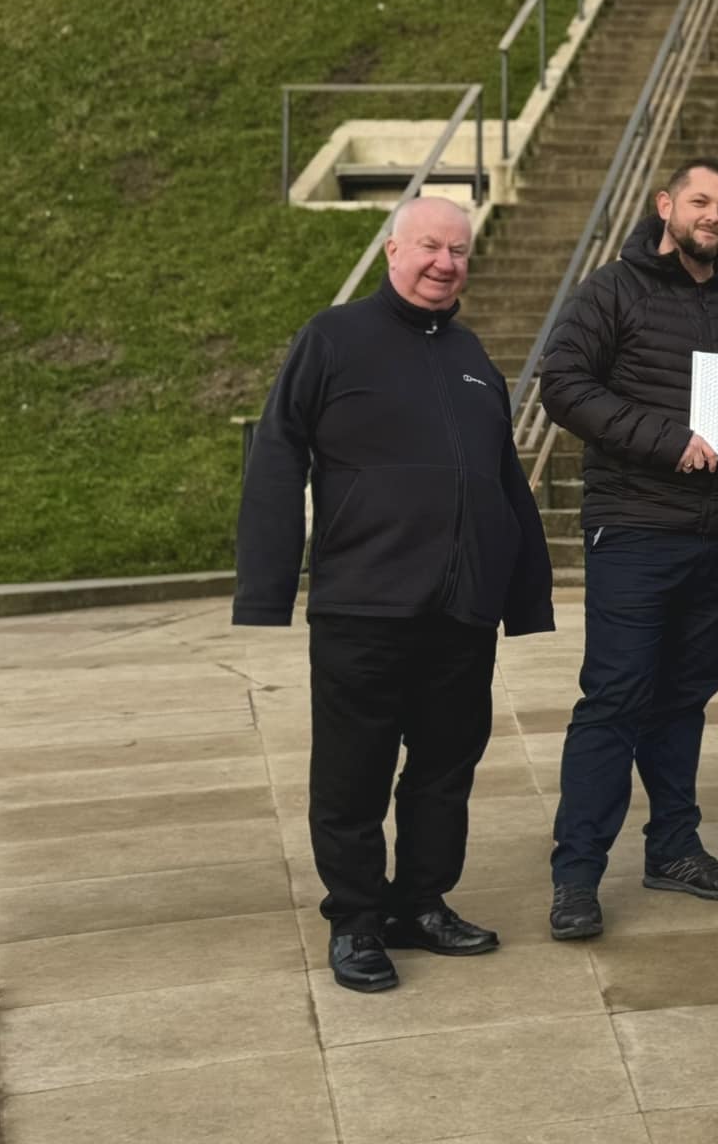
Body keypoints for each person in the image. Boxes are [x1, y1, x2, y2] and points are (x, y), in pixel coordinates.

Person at [233, 195, 554, 995]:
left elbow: (504, 481)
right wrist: (267, 589)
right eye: (430, 247)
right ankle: (356, 920)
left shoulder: (475, 356)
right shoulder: (333, 338)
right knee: (353, 772)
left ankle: (421, 902)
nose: (446, 263)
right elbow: (277, 455)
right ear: (391, 250)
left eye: (459, 251)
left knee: (446, 765)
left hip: (459, 609)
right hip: (364, 605)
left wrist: (524, 597)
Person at [538, 159, 718, 940]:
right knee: (614, 700)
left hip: (717, 537)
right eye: (700, 202)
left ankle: (673, 847)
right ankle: (576, 875)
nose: (713, 216)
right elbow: (563, 382)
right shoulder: (612, 290)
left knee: (685, 698)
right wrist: (667, 441)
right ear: (665, 203)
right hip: (635, 530)